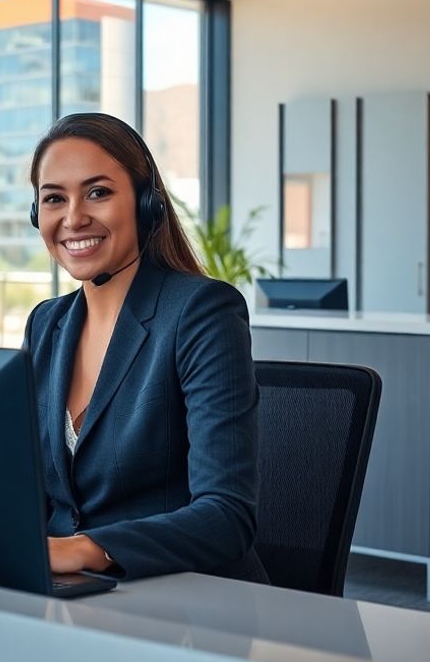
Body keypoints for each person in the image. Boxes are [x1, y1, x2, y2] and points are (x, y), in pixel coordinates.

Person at [23, 113, 268, 583]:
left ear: (146, 204)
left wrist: (87, 549)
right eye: (54, 198)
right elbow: (27, 485)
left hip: (186, 599)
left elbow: (227, 515)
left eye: (98, 193)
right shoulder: (46, 324)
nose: (73, 218)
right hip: (72, 593)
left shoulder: (200, 312)